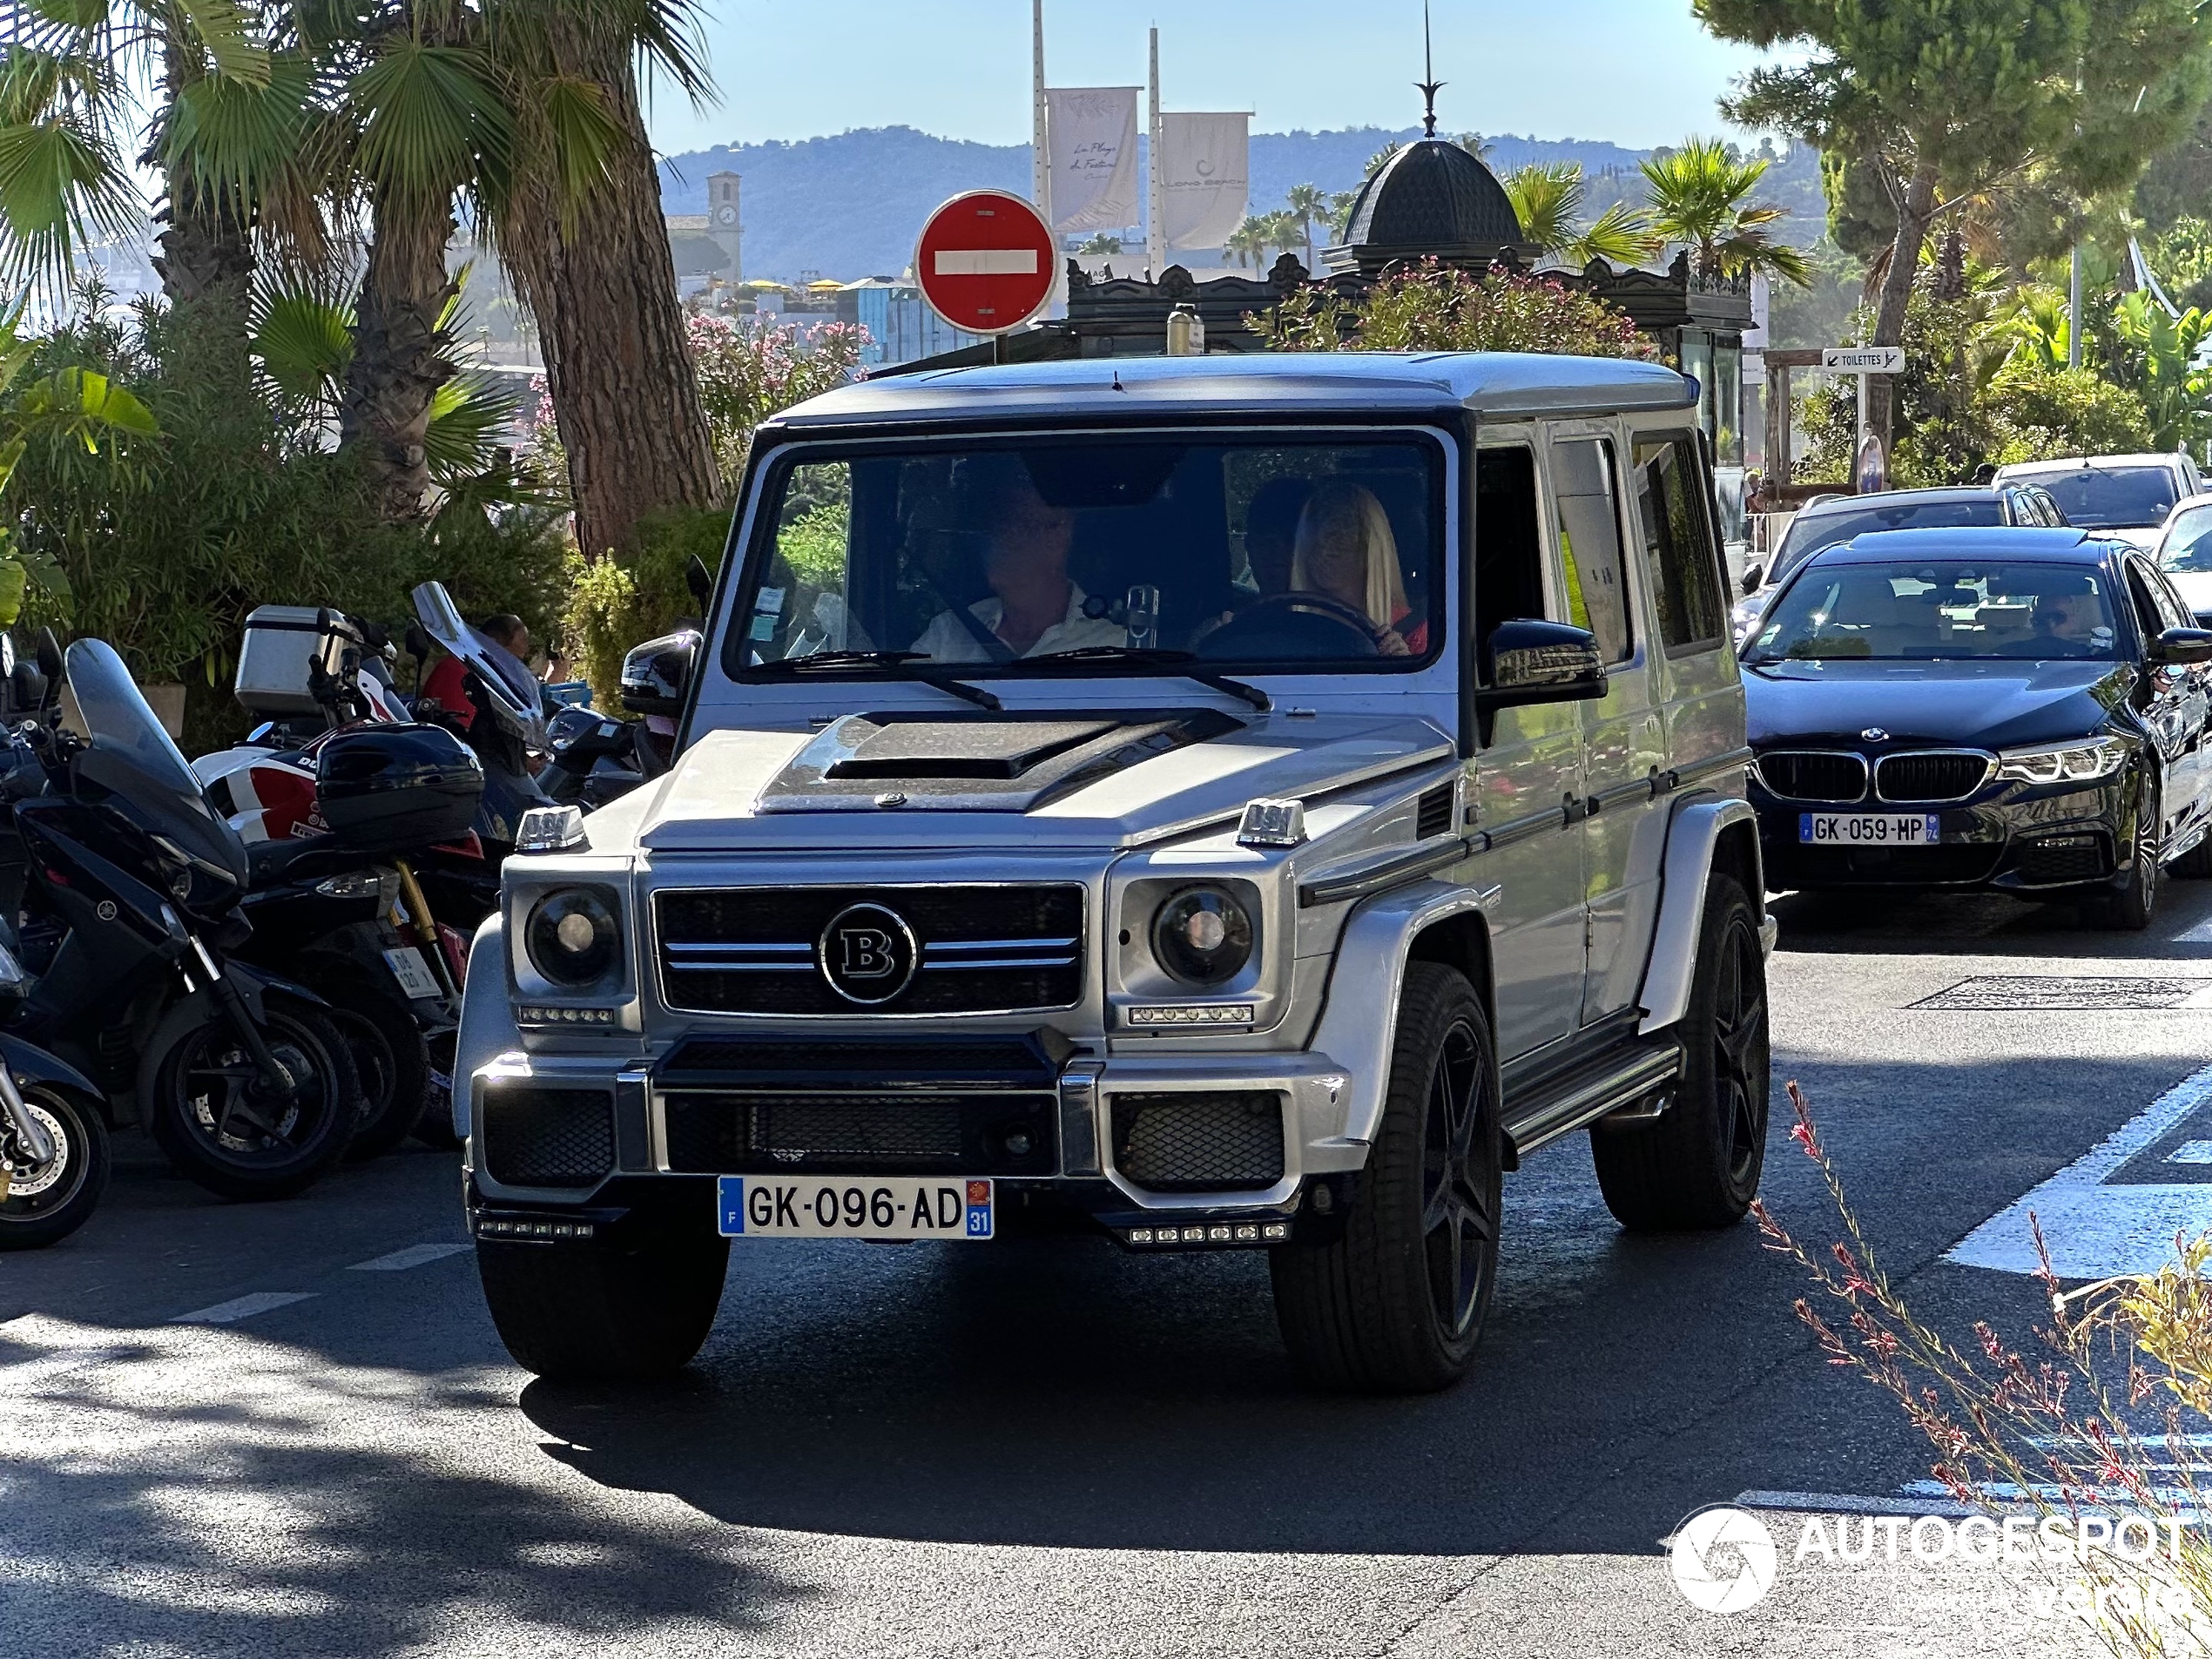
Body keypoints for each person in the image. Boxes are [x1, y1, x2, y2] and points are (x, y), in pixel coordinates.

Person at [910, 465, 1121, 662]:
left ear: (1059, 539)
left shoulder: (1114, 647)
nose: (1000, 539)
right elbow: (899, 690)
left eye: (1019, 526)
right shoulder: (950, 631)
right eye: (999, 525)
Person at [1291, 481, 1424, 656]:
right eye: (1317, 535)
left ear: (1370, 549)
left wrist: (1404, 668)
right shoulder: (1287, 629)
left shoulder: (1414, 635)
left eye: (1341, 537)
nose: (1326, 549)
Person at [422, 614, 529, 730]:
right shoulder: (458, 672)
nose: (514, 667)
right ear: (493, 645)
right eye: (512, 658)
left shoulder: (487, 678)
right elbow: (462, 734)